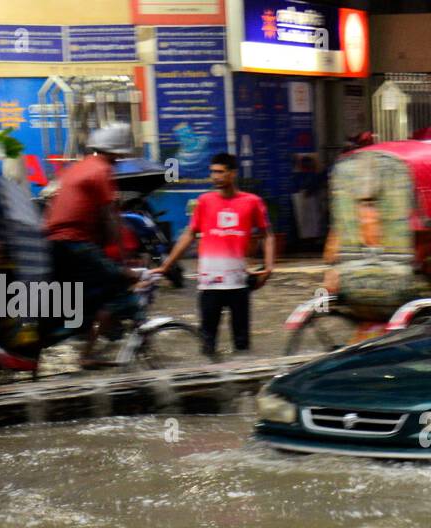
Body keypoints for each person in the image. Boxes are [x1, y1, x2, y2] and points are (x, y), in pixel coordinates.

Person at [155, 152, 274, 358]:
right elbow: (189, 234)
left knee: (242, 345)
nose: (215, 177)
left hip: (239, 283)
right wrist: (167, 265)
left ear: (233, 174)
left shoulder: (251, 202)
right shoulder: (204, 201)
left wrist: (270, 266)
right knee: (207, 343)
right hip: (209, 284)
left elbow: (268, 235)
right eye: (212, 172)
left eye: (220, 172)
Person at [43, 123, 141, 368]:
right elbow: (110, 217)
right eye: (120, 156)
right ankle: (87, 354)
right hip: (75, 242)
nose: (119, 160)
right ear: (115, 152)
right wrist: (124, 263)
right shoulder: (101, 170)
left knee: (91, 294)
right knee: (118, 286)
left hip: (56, 244)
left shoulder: (77, 168)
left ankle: (90, 334)